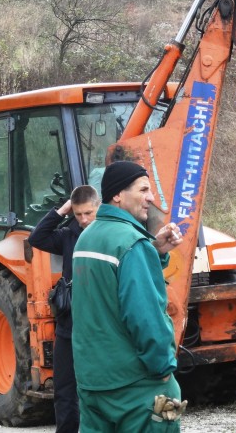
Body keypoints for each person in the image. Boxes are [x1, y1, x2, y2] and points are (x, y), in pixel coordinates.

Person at [71, 161, 184, 432]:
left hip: (92, 383)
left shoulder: (86, 238)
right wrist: (164, 370)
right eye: (143, 189)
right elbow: (146, 318)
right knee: (169, 408)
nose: (151, 198)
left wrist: (153, 251)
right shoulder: (132, 244)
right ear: (118, 195)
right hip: (138, 386)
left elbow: (104, 295)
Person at [27, 185, 100, 433]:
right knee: (65, 388)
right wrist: (62, 210)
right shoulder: (69, 234)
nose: (84, 220)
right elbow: (36, 238)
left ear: (99, 207)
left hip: (98, 325)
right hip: (69, 325)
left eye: (88, 213)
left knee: (98, 386)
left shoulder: (109, 236)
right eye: (78, 214)